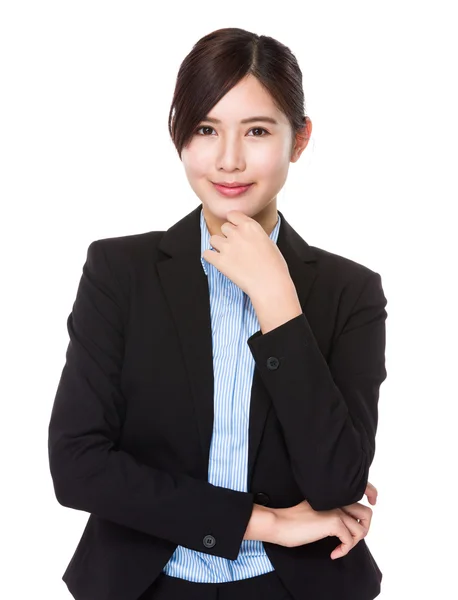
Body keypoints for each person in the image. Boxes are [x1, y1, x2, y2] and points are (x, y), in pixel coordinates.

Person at [48, 27, 387, 600]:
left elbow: (337, 482)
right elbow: (78, 465)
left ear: (299, 139)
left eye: (257, 130)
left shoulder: (349, 291)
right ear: (179, 137)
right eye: (206, 129)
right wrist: (265, 523)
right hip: (146, 583)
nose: (228, 160)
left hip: (291, 586)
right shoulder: (119, 272)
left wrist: (279, 302)